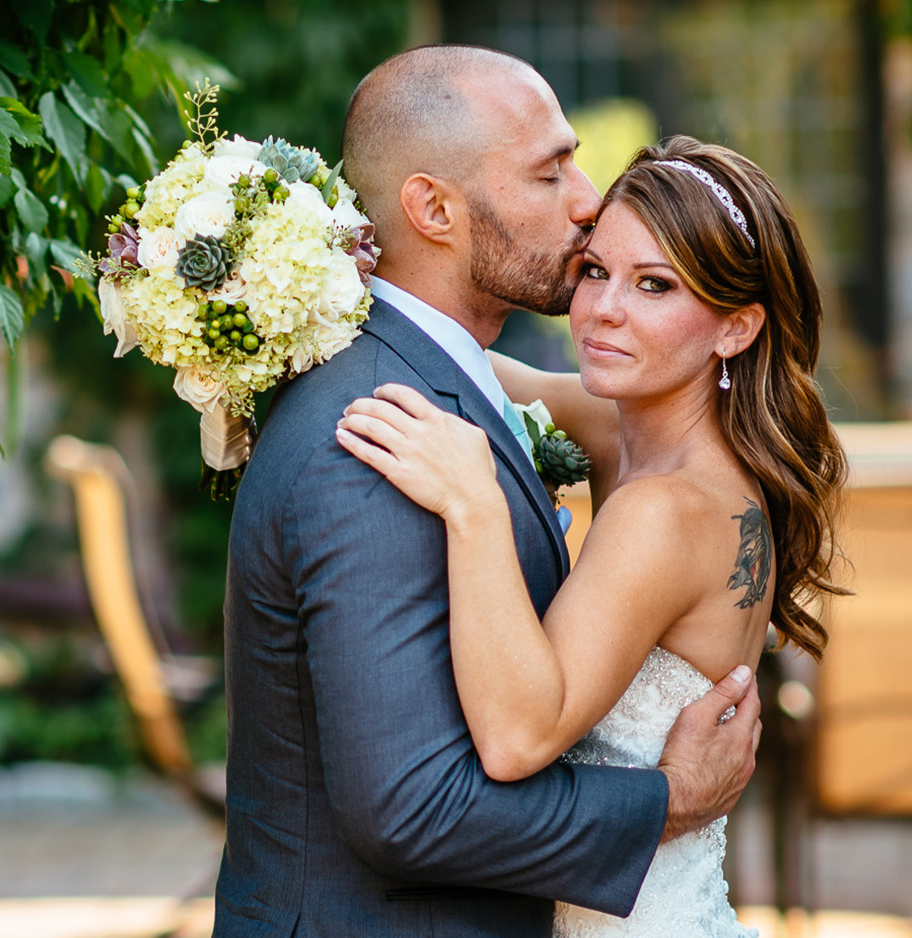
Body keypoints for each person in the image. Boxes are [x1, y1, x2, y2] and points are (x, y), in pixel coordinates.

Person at [215, 47, 764, 938]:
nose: (588, 201)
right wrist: (665, 802)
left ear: (736, 327)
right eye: (550, 174)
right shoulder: (379, 432)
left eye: (653, 284)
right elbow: (412, 807)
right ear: (432, 208)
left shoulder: (449, 395)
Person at [334, 136, 848, 936]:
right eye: (596, 271)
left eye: (654, 286)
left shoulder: (669, 509)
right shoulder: (627, 428)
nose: (604, 309)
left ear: (735, 329)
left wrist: (476, 505)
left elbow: (517, 738)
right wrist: (306, 300)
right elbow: (459, 362)